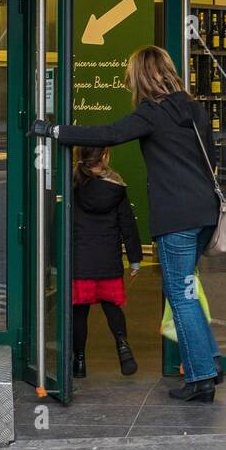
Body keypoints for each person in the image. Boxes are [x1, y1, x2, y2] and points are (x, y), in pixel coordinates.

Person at [30, 46, 223, 403]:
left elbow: (109, 133)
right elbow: (210, 158)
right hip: (206, 215)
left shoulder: (153, 112)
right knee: (188, 290)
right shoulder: (194, 109)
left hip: (176, 218)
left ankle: (201, 377)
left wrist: (54, 131)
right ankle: (209, 360)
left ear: (141, 77)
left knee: (180, 295)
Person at [70, 146, 143, 379]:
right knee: (112, 307)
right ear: (105, 156)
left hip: (80, 258)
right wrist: (135, 259)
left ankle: (79, 361)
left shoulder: (72, 184)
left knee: (79, 312)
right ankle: (123, 347)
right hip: (108, 257)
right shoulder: (116, 186)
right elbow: (127, 224)